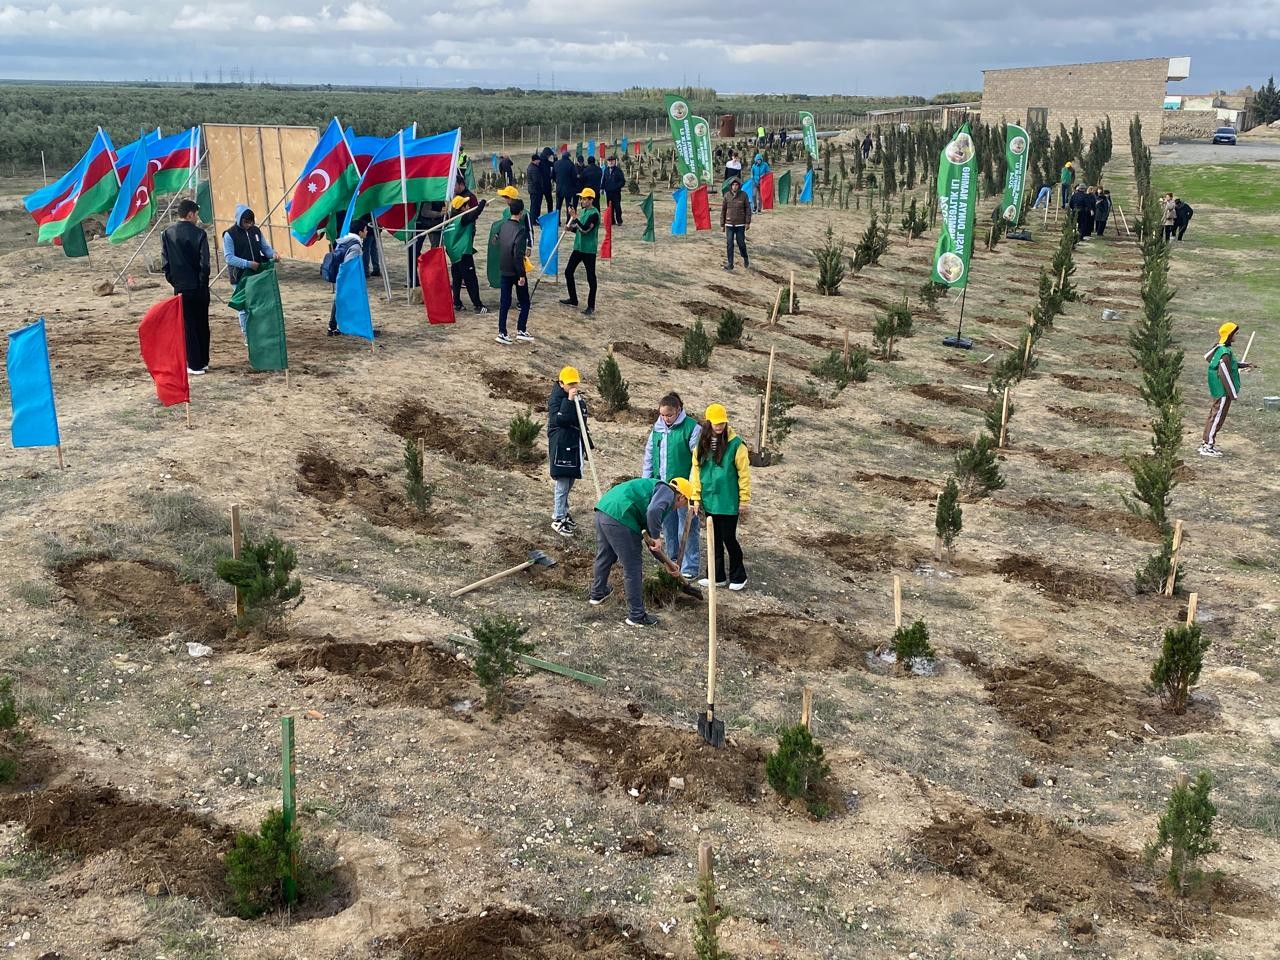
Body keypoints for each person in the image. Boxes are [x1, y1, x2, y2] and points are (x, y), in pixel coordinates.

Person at [589, 476, 695, 627]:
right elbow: (653, 513)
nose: (683, 506)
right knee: (633, 566)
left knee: (606, 555)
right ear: (681, 496)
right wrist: (658, 537)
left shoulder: (655, 492)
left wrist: (666, 563)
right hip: (621, 516)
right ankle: (636, 615)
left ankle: (598, 593)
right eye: (685, 502)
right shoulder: (667, 493)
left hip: (605, 510)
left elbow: (650, 540)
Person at [641, 392, 702, 580]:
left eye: (669, 415)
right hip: (663, 487)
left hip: (684, 489)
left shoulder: (692, 429)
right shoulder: (657, 429)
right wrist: (647, 480)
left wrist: (693, 489)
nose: (665, 418)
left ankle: (690, 565)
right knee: (668, 526)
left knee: (687, 526)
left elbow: (697, 461)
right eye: (662, 415)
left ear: (678, 411)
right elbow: (650, 457)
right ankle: (672, 559)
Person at [691, 403, 751, 591]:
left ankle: (738, 576)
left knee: (728, 538)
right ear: (708, 422)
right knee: (713, 539)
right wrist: (695, 497)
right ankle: (716, 576)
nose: (719, 427)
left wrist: (744, 498)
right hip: (710, 500)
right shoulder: (702, 443)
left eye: (722, 423)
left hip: (728, 501)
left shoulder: (736, 445)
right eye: (716, 423)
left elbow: (744, 474)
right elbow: (696, 470)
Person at [161, 198, 211, 374]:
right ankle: (202, 361)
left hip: (181, 287)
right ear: (190, 214)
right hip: (199, 286)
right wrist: (202, 282)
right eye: (196, 214)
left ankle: (194, 363)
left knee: (188, 326)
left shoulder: (167, 234)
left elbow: (165, 264)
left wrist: (174, 281)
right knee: (202, 324)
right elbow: (205, 263)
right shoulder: (199, 234)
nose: (197, 218)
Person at [548, 365, 593, 537]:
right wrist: (568, 400)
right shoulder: (557, 399)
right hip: (562, 445)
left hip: (574, 443)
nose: (573, 386)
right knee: (562, 482)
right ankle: (558, 518)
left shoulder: (575, 396)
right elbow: (560, 420)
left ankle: (564, 513)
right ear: (561, 383)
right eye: (570, 384)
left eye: (575, 383)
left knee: (570, 481)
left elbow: (582, 418)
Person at [221, 204, 277, 340]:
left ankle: (260, 332)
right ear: (239, 219)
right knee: (244, 307)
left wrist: (273, 254)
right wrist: (247, 264)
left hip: (256, 274)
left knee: (258, 305)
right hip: (239, 276)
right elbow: (229, 257)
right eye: (246, 222)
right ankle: (247, 335)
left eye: (251, 222)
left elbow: (265, 248)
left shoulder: (256, 231)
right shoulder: (229, 235)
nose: (249, 225)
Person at [1201, 322, 1253, 457]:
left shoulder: (1221, 348)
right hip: (1222, 390)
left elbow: (1215, 360)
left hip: (1218, 389)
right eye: (1235, 334)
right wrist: (1232, 392)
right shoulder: (1224, 352)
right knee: (1217, 416)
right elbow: (1224, 372)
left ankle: (1206, 442)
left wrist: (1242, 365)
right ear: (1229, 335)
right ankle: (1207, 446)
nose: (1237, 336)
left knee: (1214, 414)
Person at [441, 192, 489, 313]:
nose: (468, 207)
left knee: (457, 279)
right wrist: (481, 204)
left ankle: (456, 303)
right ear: (461, 208)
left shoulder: (450, 221)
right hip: (463, 254)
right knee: (471, 280)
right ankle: (478, 305)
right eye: (466, 205)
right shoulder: (462, 219)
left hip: (454, 255)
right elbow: (474, 214)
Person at [495, 198, 532, 345]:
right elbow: (517, 254)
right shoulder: (521, 231)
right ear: (521, 213)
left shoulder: (503, 226)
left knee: (504, 302)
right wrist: (521, 275)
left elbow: (498, 242)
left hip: (504, 269)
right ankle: (521, 329)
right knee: (525, 302)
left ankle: (502, 332)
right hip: (516, 271)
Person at [561, 187, 600, 316]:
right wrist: (570, 228)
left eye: (584, 199)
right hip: (578, 247)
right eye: (581, 198)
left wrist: (574, 217)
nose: (582, 201)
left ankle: (591, 306)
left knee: (590, 277)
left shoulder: (594, 214)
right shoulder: (582, 212)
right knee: (568, 272)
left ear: (591, 200)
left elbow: (585, 229)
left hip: (589, 250)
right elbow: (578, 228)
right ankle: (573, 299)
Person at [327, 217, 368, 336]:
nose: (367, 232)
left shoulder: (345, 240)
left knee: (341, 300)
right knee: (343, 301)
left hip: (341, 276)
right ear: (360, 232)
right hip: (347, 278)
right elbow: (350, 264)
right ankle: (336, 326)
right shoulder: (355, 246)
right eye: (365, 230)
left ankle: (335, 326)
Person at [721, 177, 751, 271]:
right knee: (729, 243)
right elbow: (723, 210)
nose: (735, 186)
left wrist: (747, 222)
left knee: (741, 243)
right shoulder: (726, 196)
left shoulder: (744, 195)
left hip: (740, 224)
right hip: (729, 224)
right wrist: (722, 223)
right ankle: (730, 263)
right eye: (733, 185)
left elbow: (748, 210)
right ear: (730, 186)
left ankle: (745, 257)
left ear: (739, 186)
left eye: (736, 185)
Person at [554, 149, 578, 223]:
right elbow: (574, 176)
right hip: (568, 188)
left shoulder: (556, 163)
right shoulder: (571, 164)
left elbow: (552, 175)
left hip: (559, 188)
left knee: (558, 206)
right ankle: (568, 221)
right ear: (568, 157)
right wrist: (573, 184)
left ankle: (557, 221)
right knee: (569, 206)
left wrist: (557, 181)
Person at [602, 155, 625, 226]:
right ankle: (612, 221)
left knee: (617, 207)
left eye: (612, 161)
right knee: (609, 207)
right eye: (609, 161)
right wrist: (602, 188)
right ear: (607, 162)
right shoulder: (606, 170)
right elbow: (604, 180)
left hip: (616, 192)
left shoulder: (618, 170)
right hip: (608, 192)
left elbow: (622, 181)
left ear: (615, 161)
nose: (610, 162)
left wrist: (617, 187)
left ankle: (619, 220)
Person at [526, 153, 544, 218]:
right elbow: (536, 180)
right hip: (535, 190)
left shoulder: (531, 166)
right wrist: (540, 188)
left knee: (534, 205)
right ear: (535, 160)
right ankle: (533, 219)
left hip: (533, 189)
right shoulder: (534, 169)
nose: (539, 162)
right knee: (535, 206)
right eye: (538, 160)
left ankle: (534, 218)